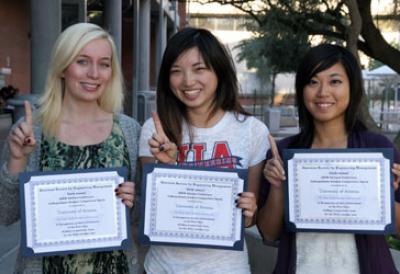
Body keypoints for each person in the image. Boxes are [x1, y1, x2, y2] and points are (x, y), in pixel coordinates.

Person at [0, 23, 141, 274]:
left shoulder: (130, 131)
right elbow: (6, 214)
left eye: (104, 64)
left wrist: (134, 201)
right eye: (82, 61)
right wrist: (16, 160)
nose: (94, 73)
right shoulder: (32, 131)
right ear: (63, 67)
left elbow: (140, 221)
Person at [257, 44, 400, 274]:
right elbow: (269, 233)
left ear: (352, 87)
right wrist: (277, 187)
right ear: (301, 89)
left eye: (335, 81)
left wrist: (384, 199)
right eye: (313, 82)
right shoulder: (284, 152)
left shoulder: (377, 150)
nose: (323, 91)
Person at [138, 27, 270, 273]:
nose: (188, 81)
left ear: (218, 71)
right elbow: (154, 213)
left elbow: (249, 220)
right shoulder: (155, 131)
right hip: (163, 268)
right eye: (176, 71)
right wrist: (169, 164)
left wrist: (249, 209)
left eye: (199, 69)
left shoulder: (252, 131)